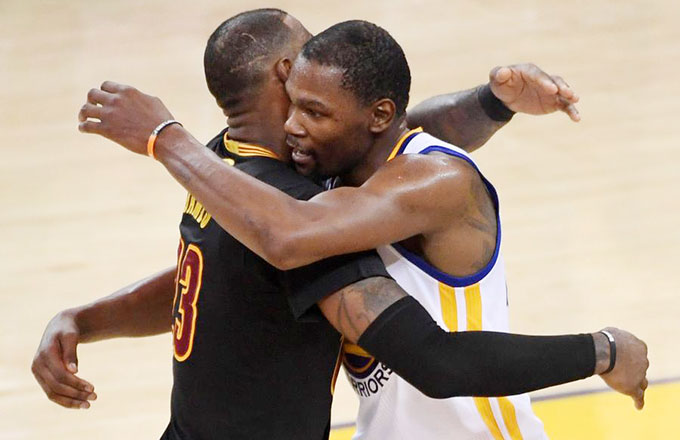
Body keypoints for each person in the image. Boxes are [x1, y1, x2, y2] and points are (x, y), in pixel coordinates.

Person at [67, 10, 648, 440]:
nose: (294, 126)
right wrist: (491, 102)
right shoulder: (298, 176)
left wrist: (163, 137)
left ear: (374, 117)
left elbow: (294, 238)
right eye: (294, 103)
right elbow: (221, 274)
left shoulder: (416, 185)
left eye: (314, 111)